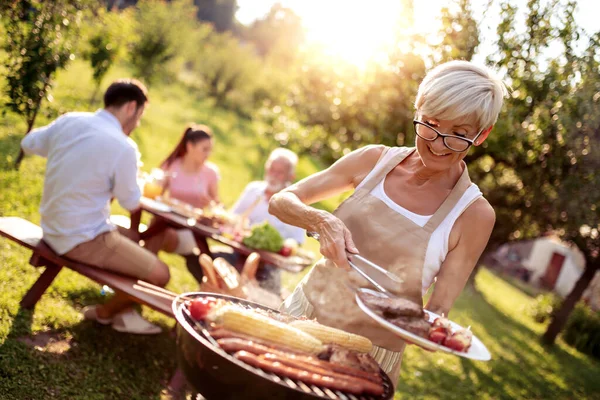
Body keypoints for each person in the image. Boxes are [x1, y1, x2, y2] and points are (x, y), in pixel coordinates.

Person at [269, 60, 507, 383]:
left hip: (368, 357)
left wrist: (426, 331)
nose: (438, 144)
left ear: (482, 135)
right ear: (418, 109)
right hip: (302, 316)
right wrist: (321, 220)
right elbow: (281, 201)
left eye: (459, 135)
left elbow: (438, 310)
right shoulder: (373, 161)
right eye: (431, 124)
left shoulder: (474, 215)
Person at [21, 79, 171, 335]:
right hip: (82, 238)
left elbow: (28, 144)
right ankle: (103, 313)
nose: (137, 123)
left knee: (134, 236)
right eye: (140, 116)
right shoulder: (124, 147)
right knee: (161, 274)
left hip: (53, 226)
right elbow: (131, 202)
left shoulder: (70, 121)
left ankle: (124, 311)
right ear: (131, 108)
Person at [230, 148, 305, 292]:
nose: (274, 175)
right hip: (237, 252)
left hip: (269, 266)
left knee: (266, 295)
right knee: (203, 260)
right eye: (272, 169)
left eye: (280, 172)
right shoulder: (253, 190)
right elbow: (233, 218)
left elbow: (297, 241)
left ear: (291, 176)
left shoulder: (297, 204)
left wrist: (284, 247)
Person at [158, 124, 220, 282]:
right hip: (166, 220)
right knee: (157, 229)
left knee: (159, 234)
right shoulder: (173, 165)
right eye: (204, 149)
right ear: (190, 146)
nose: (208, 154)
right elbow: (156, 193)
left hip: (190, 232)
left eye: (210, 149)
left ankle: (148, 275)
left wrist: (211, 204)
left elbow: (219, 209)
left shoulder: (210, 173)